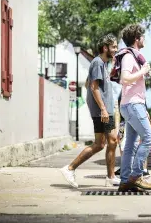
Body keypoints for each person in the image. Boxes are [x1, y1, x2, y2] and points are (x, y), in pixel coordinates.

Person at [60, 34, 120, 187]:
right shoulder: (98, 63)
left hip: (103, 109)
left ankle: (110, 176)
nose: (116, 49)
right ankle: (70, 168)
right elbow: (93, 87)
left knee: (102, 144)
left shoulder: (103, 64)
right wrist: (103, 109)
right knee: (111, 141)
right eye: (113, 46)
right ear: (105, 47)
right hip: (103, 111)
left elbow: (88, 84)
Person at [115, 24, 151, 191]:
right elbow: (125, 79)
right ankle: (136, 176)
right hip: (132, 105)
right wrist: (143, 71)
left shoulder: (134, 57)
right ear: (137, 39)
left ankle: (125, 182)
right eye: (142, 37)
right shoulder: (129, 57)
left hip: (133, 104)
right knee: (149, 139)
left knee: (130, 144)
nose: (144, 39)